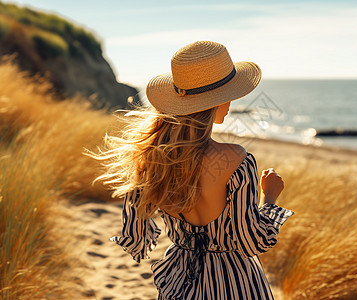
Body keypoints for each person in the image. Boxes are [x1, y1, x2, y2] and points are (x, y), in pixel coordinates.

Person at [96, 41, 294, 300]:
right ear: (217, 101)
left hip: (180, 279)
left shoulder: (153, 160)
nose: (232, 102)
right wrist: (269, 198)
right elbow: (253, 243)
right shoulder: (235, 159)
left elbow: (135, 234)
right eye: (228, 95)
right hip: (236, 283)